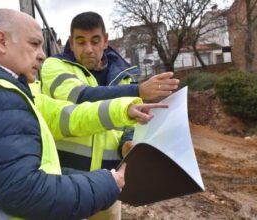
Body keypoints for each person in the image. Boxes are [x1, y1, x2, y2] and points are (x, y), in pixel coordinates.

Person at [0, 9, 167, 220]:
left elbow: (65, 117)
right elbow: (25, 191)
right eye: (34, 44)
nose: (42, 55)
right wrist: (105, 183)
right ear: (2, 41)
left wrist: (124, 113)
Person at [40, 11, 180, 220]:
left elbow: (130, 125)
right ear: (71, 42)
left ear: (105, 41)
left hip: (109, 185)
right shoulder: (55, 66)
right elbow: (81, 97)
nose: (88, 49)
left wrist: (127, 144)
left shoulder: (122, 78)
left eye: (95, 41)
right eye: (81, 41)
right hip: (66, 184)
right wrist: (137, 91)